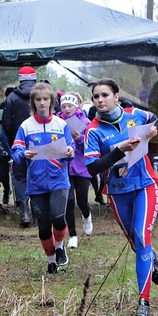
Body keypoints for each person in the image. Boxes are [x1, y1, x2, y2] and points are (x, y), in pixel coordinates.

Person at [84, 78, 158, 316]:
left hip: (145, 184)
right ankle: (152, 257)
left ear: (116, 96)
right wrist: (120, 150)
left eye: (104, 95)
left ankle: (144, 303)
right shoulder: (93, 131)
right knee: (137, 242)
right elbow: (93, 167)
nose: (100, 100)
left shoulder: (135, 114)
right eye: (96, 97)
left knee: (141, 236)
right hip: (117, 192)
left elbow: (155, 120)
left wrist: (153, 131)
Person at [11, 82, 74, 274]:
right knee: (44, 226)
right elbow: (16, 151)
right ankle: (51, 260)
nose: (42, 103)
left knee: (58, 216)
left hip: (58, 180)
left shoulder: (61, 124)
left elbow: (71, 147)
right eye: (38, 100)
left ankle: (60, 246)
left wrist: (70, 151)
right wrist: (23, 155)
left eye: (45, 99)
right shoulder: (26, 126)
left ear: (51, 101)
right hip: (37, 183)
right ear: (33, 102)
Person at [3, 65, 38, 227]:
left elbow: (7, 124)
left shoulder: (11, 98)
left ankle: (25, 214)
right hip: (41, 143)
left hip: (20, 144)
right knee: (39, 176)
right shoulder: (42, 95)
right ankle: (38, 215)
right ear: (34, 78)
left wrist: (14, 141)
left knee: (20, 177)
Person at [58, 92, 92, 248]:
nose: (66, 109)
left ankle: (87, 215)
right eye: (63, 106)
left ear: (76, 106)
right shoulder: (57, 122)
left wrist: (78, 139)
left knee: (82, 201)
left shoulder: (85, 122)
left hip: (82, 167)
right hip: (64, 167)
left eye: (69, 106)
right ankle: (72, 235)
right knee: (69, 200)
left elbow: (91, 146)